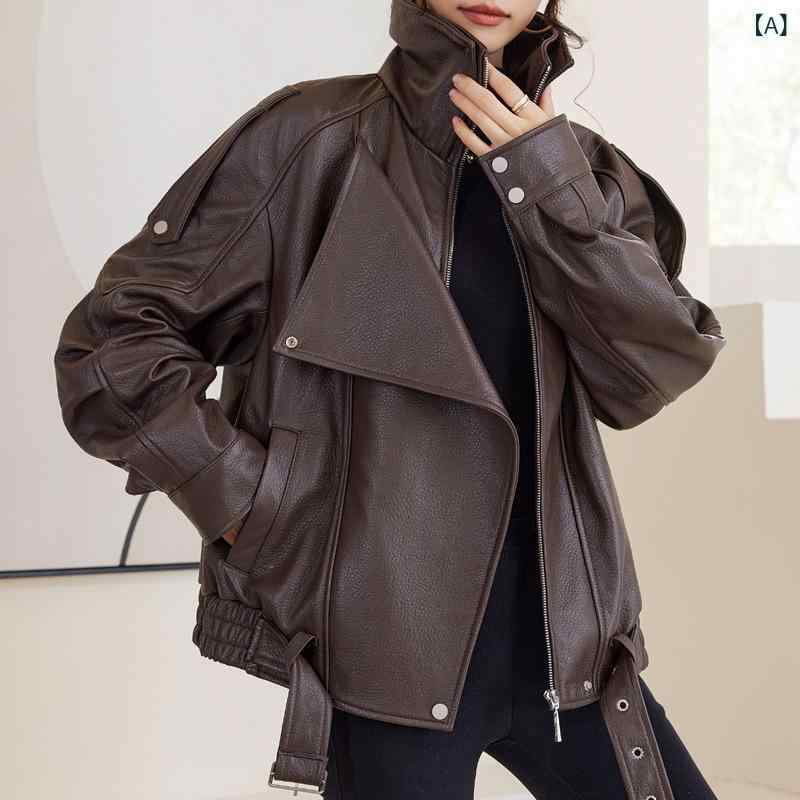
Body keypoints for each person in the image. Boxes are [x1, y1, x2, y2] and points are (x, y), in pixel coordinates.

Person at [53, 0, 727, 798]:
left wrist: (551, 183)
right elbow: (113, 346)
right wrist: (253, 507)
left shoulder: (583, 170)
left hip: (570, 648)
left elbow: (647, 373)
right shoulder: (309, 141)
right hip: (385, 658)